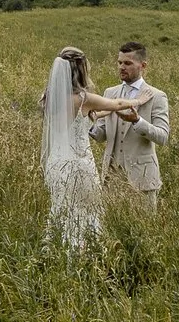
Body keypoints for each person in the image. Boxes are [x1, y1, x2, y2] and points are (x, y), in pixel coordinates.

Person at [41, 46, 143, 250]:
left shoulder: (49, 99)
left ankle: (59, 247)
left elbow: (85, 118)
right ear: (80, 70)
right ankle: (83, 251)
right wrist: (139, 100)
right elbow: (116, 103)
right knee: (85, 208)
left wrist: (105, 114)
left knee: (63, 207)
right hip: (78, 163)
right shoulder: (83, 99)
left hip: (57, 162)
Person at [90, 40, 170, 216]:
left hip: (142, 179)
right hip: (111, 178)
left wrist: (137, 121)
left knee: (144, 233)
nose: (121, 67)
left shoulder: (157, 96)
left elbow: (163, 136)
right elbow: (101, 134)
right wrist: (86, 124)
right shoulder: (110, 93)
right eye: (119, 62)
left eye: (127, 63)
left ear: (143, 65)